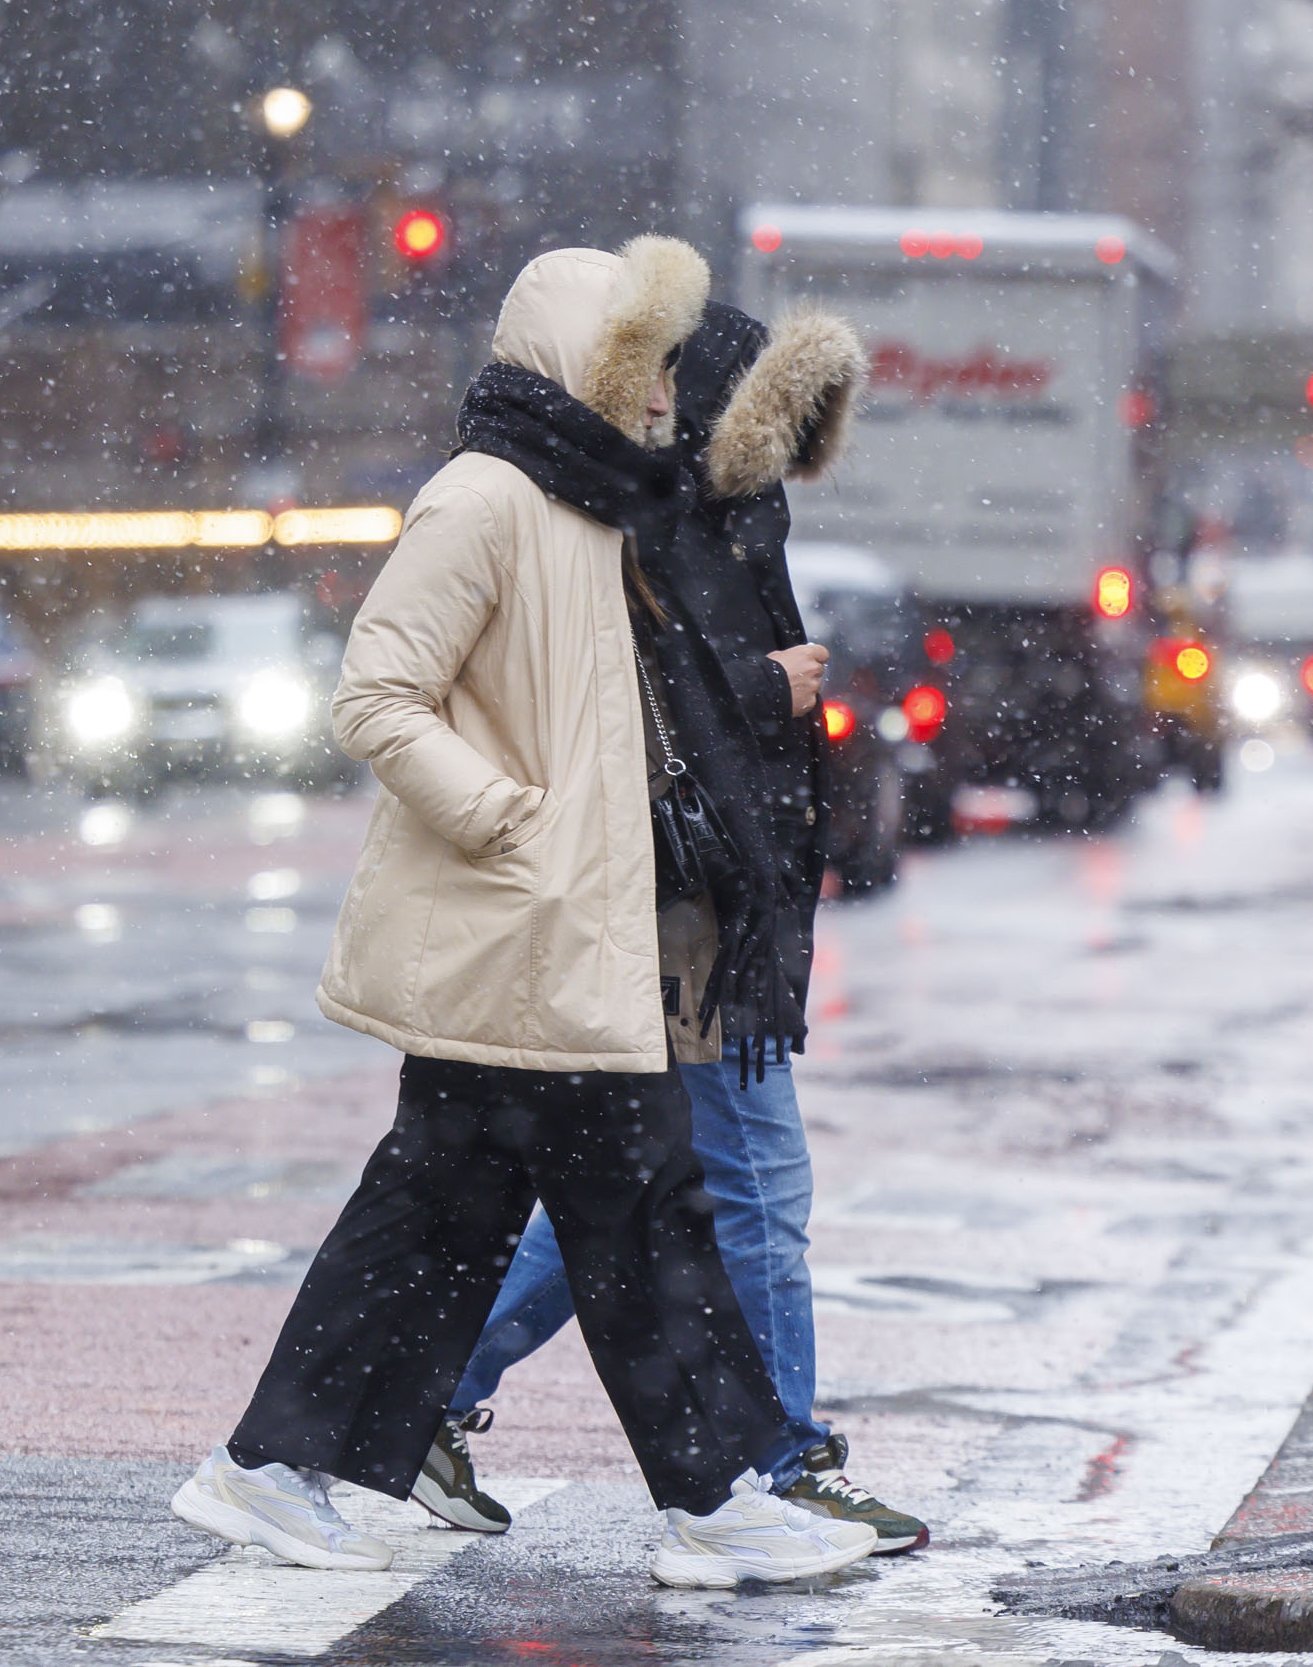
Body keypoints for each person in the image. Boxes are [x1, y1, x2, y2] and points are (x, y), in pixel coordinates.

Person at [169, 238, 881, 1589]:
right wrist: (512, 821)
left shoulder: (593, 506)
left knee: (438, 1221)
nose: (673, 385)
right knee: (641, 1214)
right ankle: (720, 1496)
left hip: (564, 941)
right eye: (652, 358)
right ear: (591, 360)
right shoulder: (483, 498)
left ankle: (268, 1466)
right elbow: (375, 695)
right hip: (521, 936)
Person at [410, 300, 934, 1556]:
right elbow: (625, 697)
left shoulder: (724, 505)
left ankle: (416, 1393)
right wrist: (769, 686)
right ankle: (783, 1459)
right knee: (753, 1190)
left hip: (710, 900)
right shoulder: (648, 511)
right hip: (675, 903)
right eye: (774, 410)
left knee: (623, 1192)